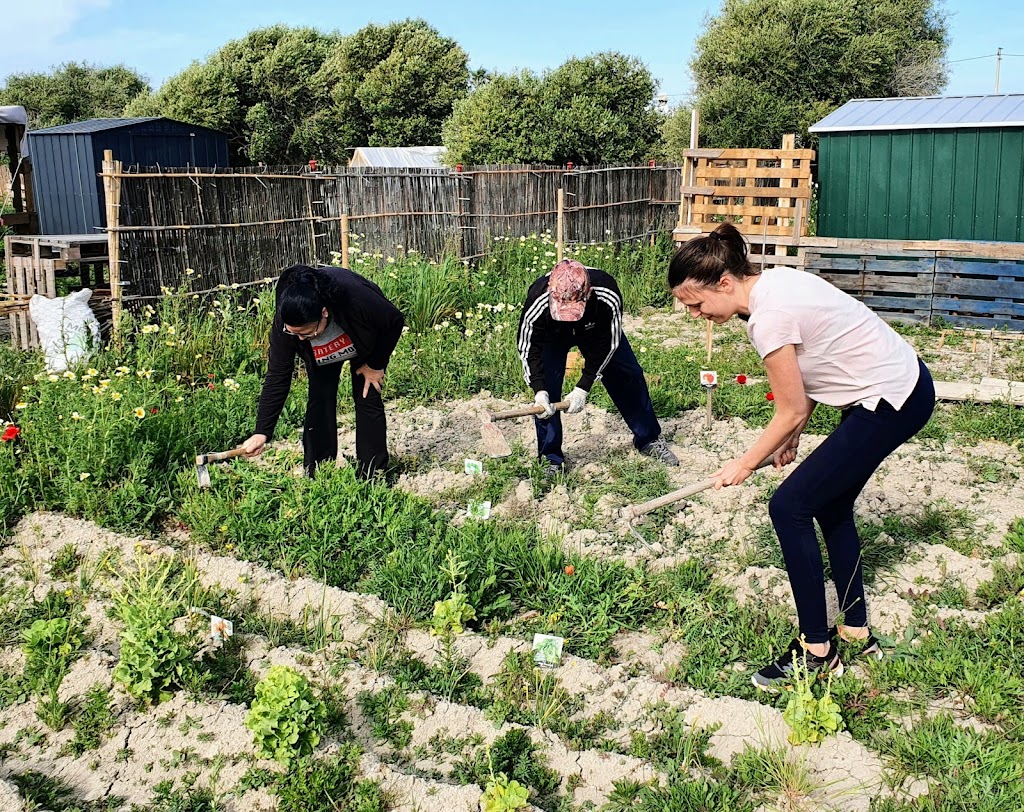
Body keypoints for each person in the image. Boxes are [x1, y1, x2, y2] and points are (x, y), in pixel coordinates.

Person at [668, 223, 935, 691]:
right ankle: (855, 631)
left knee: (788, 506)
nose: (695, 314)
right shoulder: (775, 284)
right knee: (830, 504)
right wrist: (792, 435)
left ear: (724, 283)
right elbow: (810, 370)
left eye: (696, 303)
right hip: (897, 388)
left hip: (891, 400)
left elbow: (788, 407)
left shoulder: (768, 318)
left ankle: (816, 652)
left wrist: (745, 462)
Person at [517, 259, 678, 476]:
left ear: (588, 293)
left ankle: (648, 438)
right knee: (547, 391)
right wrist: (539, 390)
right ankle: (550, 458)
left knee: (627, 375)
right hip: (551, 336)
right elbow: (528, 348)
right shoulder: (538, 301)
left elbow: (609, 345)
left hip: (594, 330)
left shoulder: (606, 294)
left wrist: (583, 387)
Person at [241, 263, 404, 479]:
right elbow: (278, 375)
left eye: (307, 333)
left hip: (363, 340)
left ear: (324, 313)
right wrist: (262, 431)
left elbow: (394, 320)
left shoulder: (356, 298)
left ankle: (374, 473)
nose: (300, 339)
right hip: (323, 355)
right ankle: (318, 471)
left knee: (367, 396)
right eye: (294, 333)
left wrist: (375, 365)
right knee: (319, 397)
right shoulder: (287, 325)